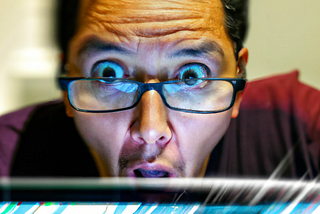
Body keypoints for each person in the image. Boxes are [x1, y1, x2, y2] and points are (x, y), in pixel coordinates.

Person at [1, 0, 319, 178]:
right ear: (66, 77)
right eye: (109, 74)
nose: (151, 130)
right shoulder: (10, 159)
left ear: (238, 81)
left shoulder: (299, 129)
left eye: (192, 75)